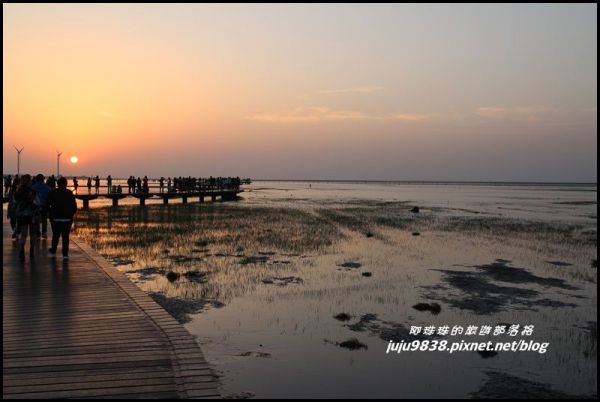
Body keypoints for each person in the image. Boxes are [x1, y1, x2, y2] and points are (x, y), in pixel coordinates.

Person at [47, 177, 77, 260]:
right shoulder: (69, 193)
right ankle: (65, 254)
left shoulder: (52, 192)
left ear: (57, 184)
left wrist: (51, 214)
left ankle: (53, 250)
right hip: (67, 218)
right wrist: (71, 214)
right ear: (66, 184)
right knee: (65, 236)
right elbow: (74, 206)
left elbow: (47, 204)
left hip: (55, 218)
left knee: (55, 235)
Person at [14, 174, 40, 260]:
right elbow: (38, 203)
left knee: (23, 234)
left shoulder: (18, 191)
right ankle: (31, 250)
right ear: (29, 181)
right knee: (33, 234)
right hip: (32, 215)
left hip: (22, 215)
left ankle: (22, 250)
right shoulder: (33, 191)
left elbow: (15, 203)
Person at [32, 174, 51, 239]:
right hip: (44, 206)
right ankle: (44, 233)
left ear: (36, 179)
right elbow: (50, 198)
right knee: (44, 220)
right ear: (43, 179)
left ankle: (37, 233)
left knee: (36, 220)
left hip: (35, 206)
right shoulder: (47, 187)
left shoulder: (33, 187)